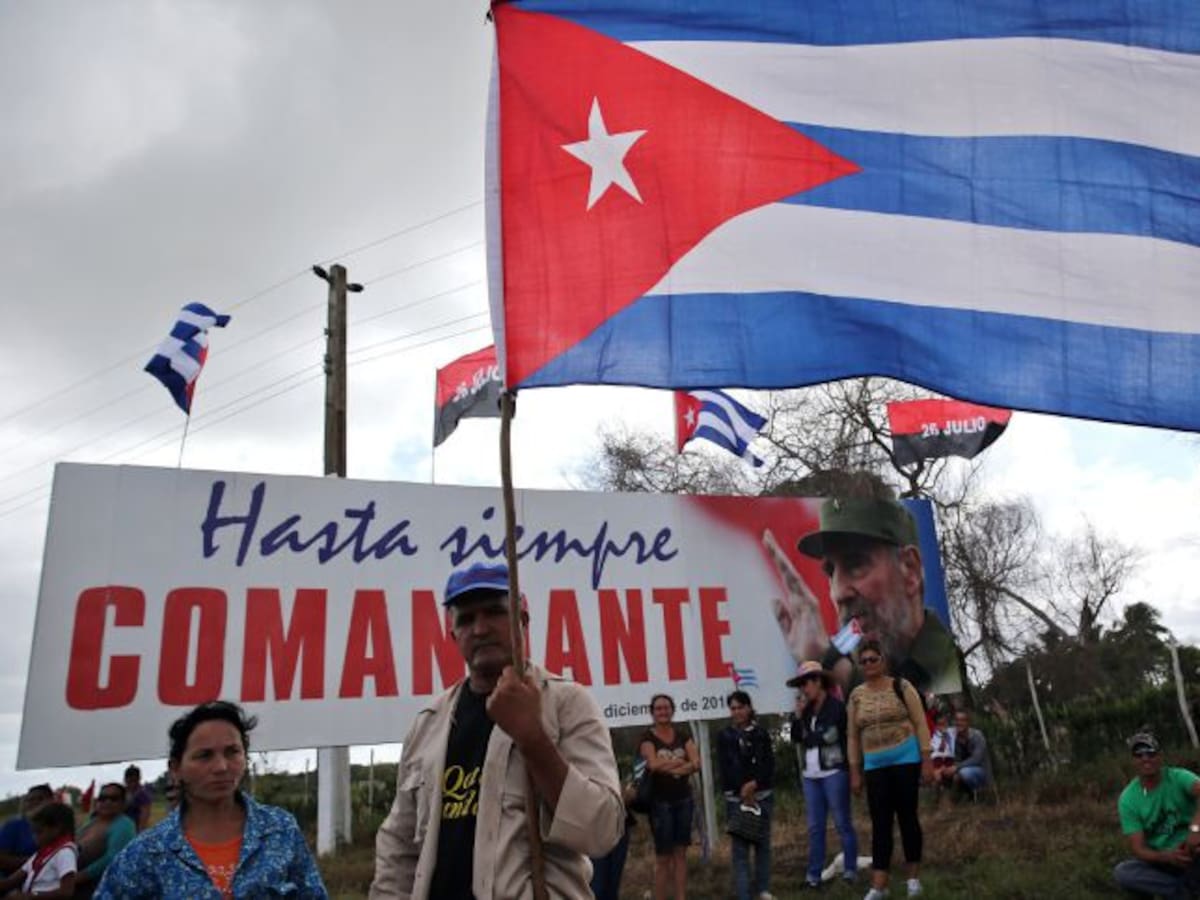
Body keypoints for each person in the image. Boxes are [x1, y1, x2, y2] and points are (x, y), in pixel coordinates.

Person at [371, 561, 623, 899]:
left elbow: (601, 831)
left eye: (494, 612)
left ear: (523, 620)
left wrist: (533, 740)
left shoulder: (565, 703)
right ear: (453, 635)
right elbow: (399, 847)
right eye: (466, 619)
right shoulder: (428, 723)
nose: (480, 628)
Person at [95, 700, 327, 898]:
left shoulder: (280, 830)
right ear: (176, 768)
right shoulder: (146, 853)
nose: (221, 766)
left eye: (232, 752)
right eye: (204, 756)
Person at [768, 492, 961, 696]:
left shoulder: (947, 671)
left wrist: (836, 668)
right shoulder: (852, 668)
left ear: (909, 570)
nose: (838, 593)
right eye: (831, 572)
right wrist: (823, 661)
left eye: (856, 564)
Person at [847, 640, 933, 900]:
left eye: (873, 659)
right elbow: (852, 736)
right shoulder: (856, 696)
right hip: (874, 765)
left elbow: (920, 723)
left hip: (906, 759)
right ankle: (879, 885)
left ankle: (913, 880)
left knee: (908, 818)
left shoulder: (902, 686)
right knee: (880, 824)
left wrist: (926, 759)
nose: (869, 664)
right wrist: (855, 771)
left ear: (882, 661)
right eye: (864, 661)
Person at [789, 660, 858, 890]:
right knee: (815, 827)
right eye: (800, 685)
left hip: (834, 771)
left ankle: (850, 870)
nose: (803, 689)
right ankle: (813, 876)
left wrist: (809, 736)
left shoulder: (836, 707)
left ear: (818, 681)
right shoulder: (806, 710)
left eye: (805, 683)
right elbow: (796, 737)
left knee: (842, 823)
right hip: (811, 775)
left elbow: (829, 736)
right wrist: (798, 717)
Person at [1113, 730, 1200, 898]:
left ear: (1160, 757)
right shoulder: (1128, 798)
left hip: (1193, 849)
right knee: (1124, 872)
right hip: (1164, 859)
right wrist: (1166, 857)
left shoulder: (1179, 777)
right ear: (1133, 761)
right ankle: (1184, 891)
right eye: (1139, 755)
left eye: (1150, 753)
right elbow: (1138, 849)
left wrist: (1196, 829)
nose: (1145, 758)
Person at [717, 690, 776, 900]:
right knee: (740, 851)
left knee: (762, 846)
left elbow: (768, 764)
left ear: (749, 708)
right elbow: (725, 767)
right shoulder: (725, 736)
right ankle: (744, 894)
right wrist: (742, 790)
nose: (737, 712)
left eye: (740, 707)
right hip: (736, 799)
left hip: (762, 796)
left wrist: (754, 784)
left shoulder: (761, 733)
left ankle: (763, 890)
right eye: (733, 708)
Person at [640, 693, 700, 900]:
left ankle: (680, 897)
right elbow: (653, 764)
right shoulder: (647, 738)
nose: (663, 711)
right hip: (660, 803)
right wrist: (681, 764)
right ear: (652, 712)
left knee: (681, 854)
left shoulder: (683, 735)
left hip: (684, 800)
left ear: (672, 710)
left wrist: (669, 766)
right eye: (658, 708)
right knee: (663, 857)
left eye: (666, 707)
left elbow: (696, 763)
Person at [0, 801, 77, 898]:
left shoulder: (65, 853)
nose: (34, 837)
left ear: (57, 829)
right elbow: (10, 882)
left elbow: (66, 892)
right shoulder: (40, 854)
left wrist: (28, 897)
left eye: (39, 832)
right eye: (33, 832)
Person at [74, 783, 135, 896]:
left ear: (123, 803)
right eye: (102, 798)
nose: (107, 802)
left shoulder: (124, 824)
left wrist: (78, 877)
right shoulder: (93, 821)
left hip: (98, 888)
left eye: (113, 798)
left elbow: (111, 859)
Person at [0, 784, 54, 876]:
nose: (35, 802)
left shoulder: (59, 825)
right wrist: (38, 860)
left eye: (40, 799)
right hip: (14, 879)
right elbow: (2, 860)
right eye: (30, 800)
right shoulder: (13, 826)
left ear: (51, 801)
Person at [935, 710, 991, 796]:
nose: (959, 723)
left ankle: (980, 792)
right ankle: (949, 798)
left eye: (962, 720)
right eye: (957, 720)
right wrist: (943, 767)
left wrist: (956, 767)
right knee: (941, 772)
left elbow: (976, 759)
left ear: (968, 722)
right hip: (960, 768)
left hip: (979, 771)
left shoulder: (977, 736)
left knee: (964, 772)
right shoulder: (953, 736)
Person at [122, 766, 152, 833]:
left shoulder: (143, 795)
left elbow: (144, 818)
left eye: (134, 781)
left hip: (135, 829)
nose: (132, 784)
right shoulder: (121, 793)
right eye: (130, 781)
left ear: (139, 779)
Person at [929, 713, 955, 781]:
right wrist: (943, 736)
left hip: (949, 759)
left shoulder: (952, 731)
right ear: (936, 725)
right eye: (940, 724)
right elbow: (941, 749)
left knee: (953, 774)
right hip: (938, 759)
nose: (943, 726)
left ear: (947, 723)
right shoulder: (934, 735)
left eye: (944, 723)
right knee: (937, 775)